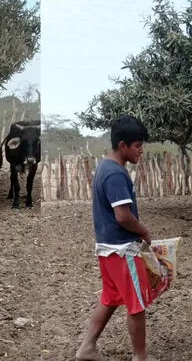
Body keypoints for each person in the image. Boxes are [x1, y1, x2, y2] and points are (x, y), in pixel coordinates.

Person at [76, 114, 155, 361]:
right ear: (124, 146)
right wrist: (143, 231)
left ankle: (87, 348)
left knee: (110, 299)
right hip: (122, 250)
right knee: (137, 304)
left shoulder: (104, 167)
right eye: (138, 146)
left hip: (107, 248)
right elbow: (123, 216)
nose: (141, 151)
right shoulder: (116, 175)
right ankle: (140, 357)